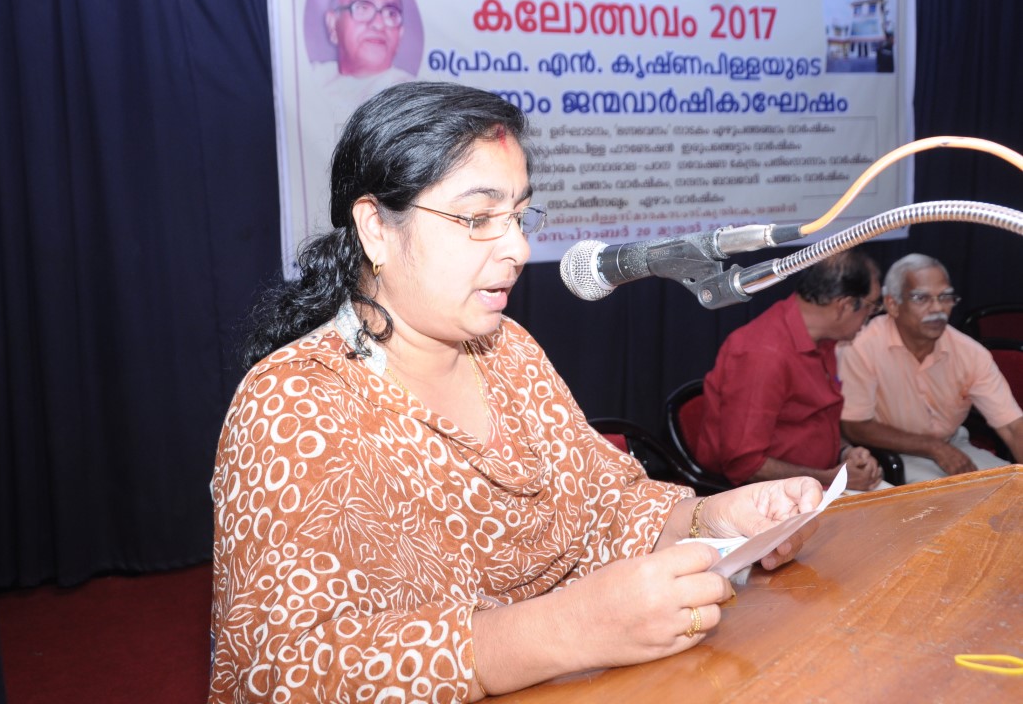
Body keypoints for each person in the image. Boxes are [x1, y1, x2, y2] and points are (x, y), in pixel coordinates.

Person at [209, 81, 824, 703]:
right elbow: (282, 672)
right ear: (375, 228)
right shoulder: (291, 404)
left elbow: (607, 509)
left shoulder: (508, 350)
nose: (519, 248)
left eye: (519, 217)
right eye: (478, 219)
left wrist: (713, 521)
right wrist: (564, 630)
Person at [694, 250, 888, 492]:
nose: (870, 318)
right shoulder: (763, 355)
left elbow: (812, 423)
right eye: (871, 308)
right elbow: (745, 466)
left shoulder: (823, 339)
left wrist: (846, 451)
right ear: (845, 305)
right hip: (764, 493)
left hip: (817, 480)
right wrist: (827, 478)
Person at [838, 253, 1023, 484]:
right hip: (887, 454)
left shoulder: (970, 352)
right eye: (921, 298)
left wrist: (940, 448)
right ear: (893, 304)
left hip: (954, 444)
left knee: (1010, 487)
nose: (937, 308)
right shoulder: (861, 346)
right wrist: (932, 447)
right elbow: (854, 426)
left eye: (945, 297)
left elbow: (1013, 427)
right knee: (953, 498)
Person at [313, 0, 414, 110]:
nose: (379, 25)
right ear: (332, 23)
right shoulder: (311, 78)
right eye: (362, 8)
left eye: (390, 13)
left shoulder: (412, 96)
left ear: (400, 33)